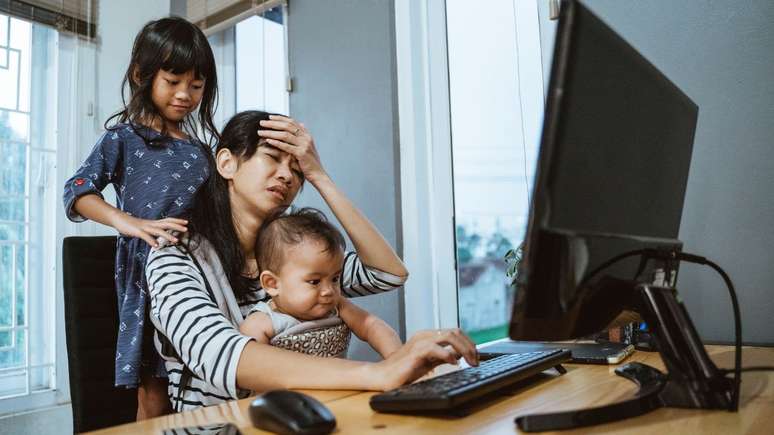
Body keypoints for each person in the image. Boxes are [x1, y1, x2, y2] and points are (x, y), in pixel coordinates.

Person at [145, 110, 479, 412]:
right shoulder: (173, 256)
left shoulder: (295, 258)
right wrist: (379, 373)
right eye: (272, 158)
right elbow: (222, 355)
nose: (287, 176)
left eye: (296, 170)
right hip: (221, 426)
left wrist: (320, 176)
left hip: (311, 415)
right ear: (226, 163)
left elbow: (388, 273)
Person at [62, 17, 219, 419]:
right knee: (155, 387)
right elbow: (77, 190)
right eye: (173, 81)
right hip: (147, 274)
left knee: (204, 379)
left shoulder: (204, 151)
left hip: (203, 275)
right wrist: (127, 222)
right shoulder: (123, 138)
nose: (185, 94)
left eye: (196, 86)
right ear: (141, 75)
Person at [239, 207, 402, 359]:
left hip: (345, 385)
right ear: (272, 284)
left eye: (335, 279)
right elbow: (254, 372)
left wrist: (398, 359)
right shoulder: (261, 323)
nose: (328, 290)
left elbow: (372, 326)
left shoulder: (338, 307)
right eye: (314, 281)